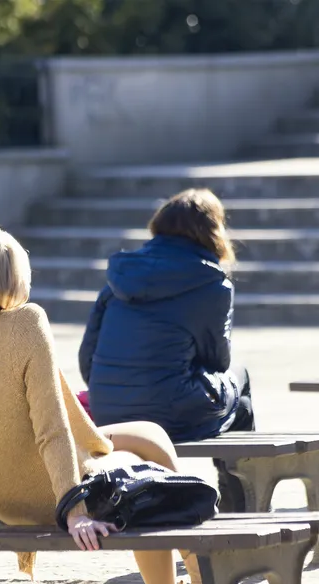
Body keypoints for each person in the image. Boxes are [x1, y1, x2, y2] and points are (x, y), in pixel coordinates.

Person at [0, 223, 265, 584]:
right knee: (146, 481)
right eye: (19, 272)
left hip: (6, 499)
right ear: (1, 278)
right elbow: (50, 429)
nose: (27, 282)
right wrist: (74, 512)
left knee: (151, 435)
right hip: (52, 494)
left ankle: (197, 580)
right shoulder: (26, 322)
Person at [79, 189, 255, 512]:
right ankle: (240, 505)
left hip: (109, 412)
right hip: (169, 415)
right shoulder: (212, 284)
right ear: (213, 233)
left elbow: (86, 361)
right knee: (240, 383)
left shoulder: (120, 276)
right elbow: (218, 361)